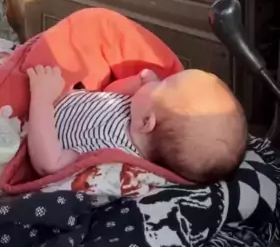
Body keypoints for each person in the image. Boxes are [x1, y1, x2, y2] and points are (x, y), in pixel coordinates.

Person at [26, 65, 248, 184]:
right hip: (60, 95)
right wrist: (141, 84)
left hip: (29, 126)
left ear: (147, 122)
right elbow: (107, 94)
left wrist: (41, 98)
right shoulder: (137, 114)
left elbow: (50, 164)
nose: (159, 78)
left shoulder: (111, 153)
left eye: (163, 83)